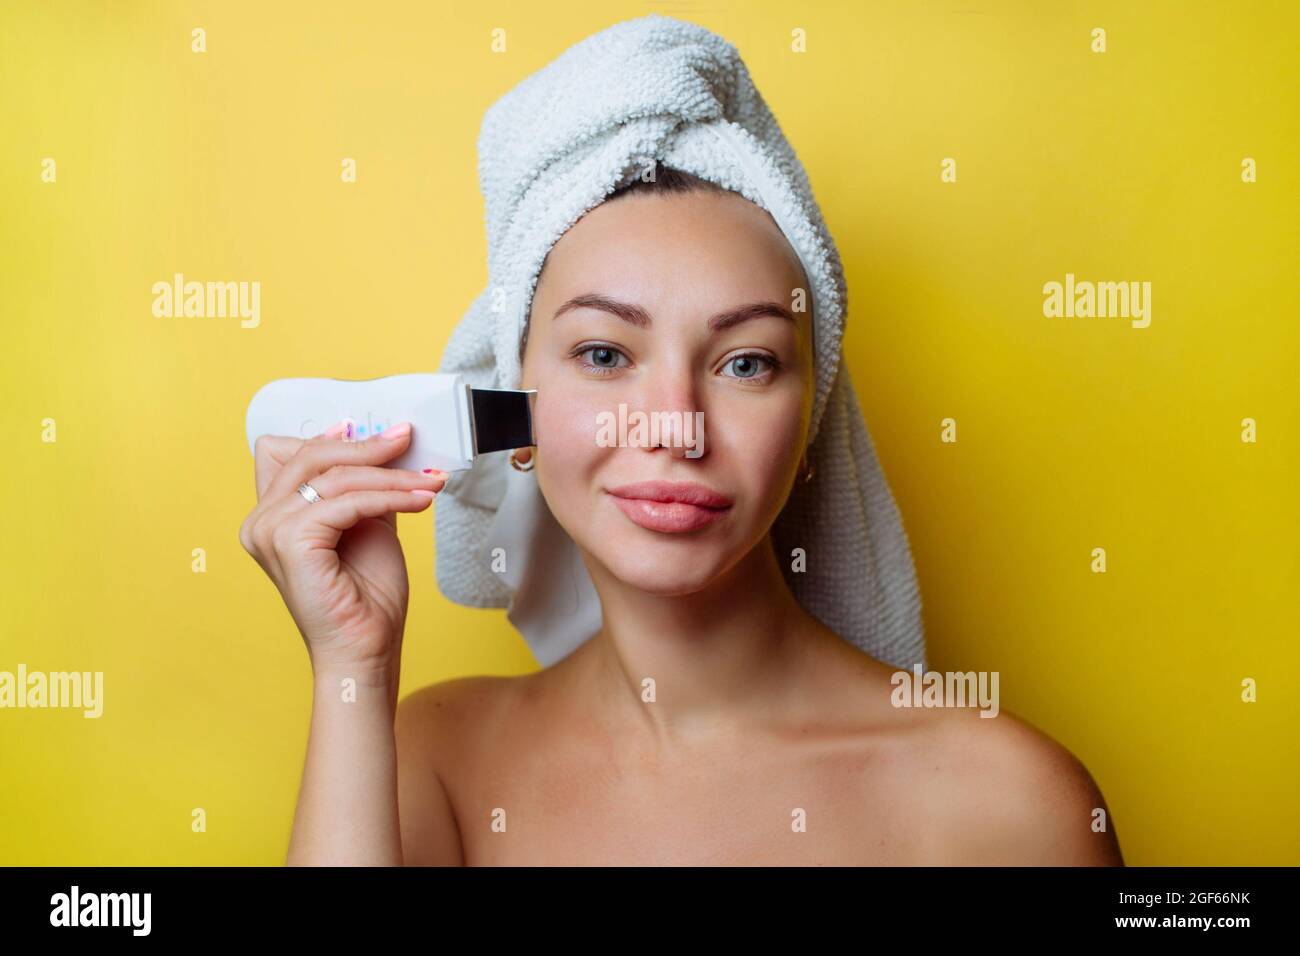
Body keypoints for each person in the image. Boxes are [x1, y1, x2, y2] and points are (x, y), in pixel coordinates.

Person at [239, 163, 1124, 866]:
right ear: (516, 413)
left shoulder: (1008, 804)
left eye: (744, 363)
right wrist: (351, 670)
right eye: (602, 352)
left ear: (811, 422)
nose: (674, 425)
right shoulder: (433, 760)